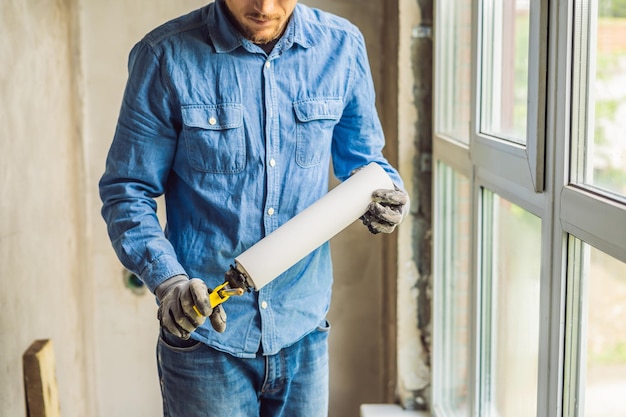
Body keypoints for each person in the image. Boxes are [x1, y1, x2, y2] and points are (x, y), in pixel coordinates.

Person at [99, 0, 409, 416]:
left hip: (304, 328)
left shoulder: (342, 47)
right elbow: (127, 190)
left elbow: (368, 164)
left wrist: (389, 195)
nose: (263, 7)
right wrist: (168, 281)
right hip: (207, 341)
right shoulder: (164, 57)